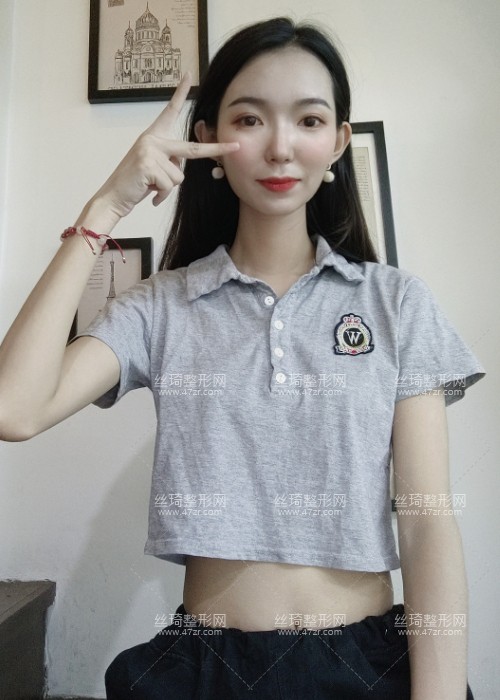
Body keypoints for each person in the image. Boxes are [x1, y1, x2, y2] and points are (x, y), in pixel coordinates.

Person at [0, 16, 484, 700]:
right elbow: (13, 409)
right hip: (205, 670)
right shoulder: (161, 306)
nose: (281, 148)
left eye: (309, 120)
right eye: (250, 119)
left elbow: (428, 520)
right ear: (208, 141)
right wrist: (107, 204)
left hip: (366, 667)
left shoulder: (395, 302)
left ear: (338, 141)